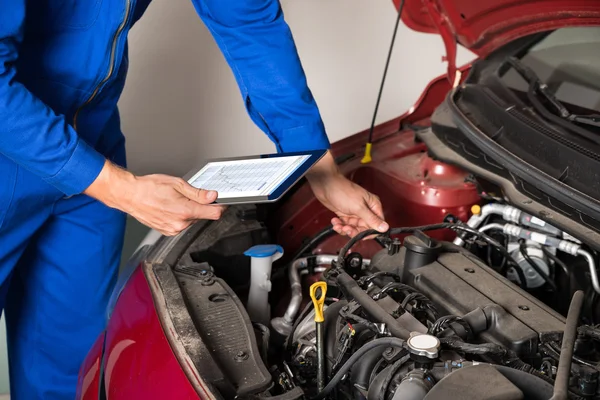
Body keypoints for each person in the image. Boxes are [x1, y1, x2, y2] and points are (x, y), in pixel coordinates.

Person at [0, 0, 388, 398]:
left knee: (70, 367)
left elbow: (247, 19)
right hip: (17, 154)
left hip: (93, 150)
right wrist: (116, 187)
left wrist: (317, 166)